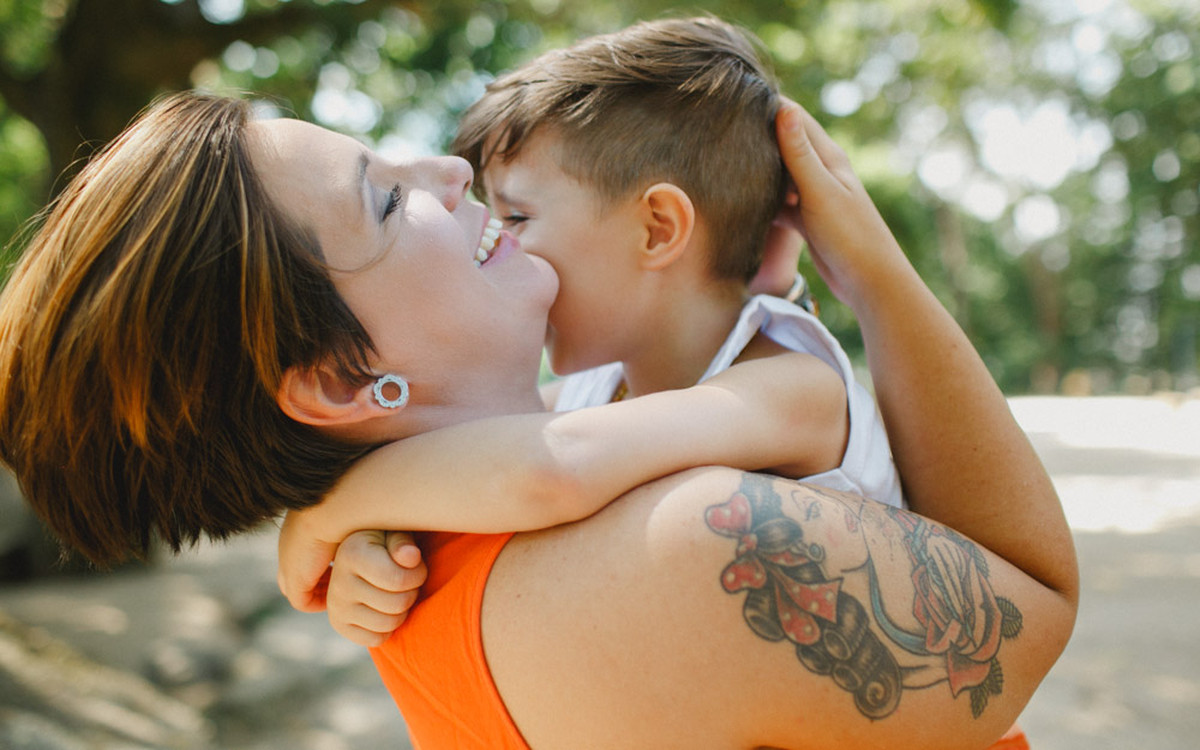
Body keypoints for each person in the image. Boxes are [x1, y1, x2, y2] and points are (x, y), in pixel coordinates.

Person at [0, 89, 1076, 749]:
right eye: (385, 197)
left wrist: (331, 513)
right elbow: (1033, 610)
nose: (451, 168)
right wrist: (877, 274)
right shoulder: (692, 548)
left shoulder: (402, 571)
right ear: (336, 377)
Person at [276, 16, 901, 619]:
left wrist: (333, 510)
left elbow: (547, 471)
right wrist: (378, 539)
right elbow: (471, 453)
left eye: (517, 217)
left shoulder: (792, 388)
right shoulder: (598, 391)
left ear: (656, 230)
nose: (499, 243)